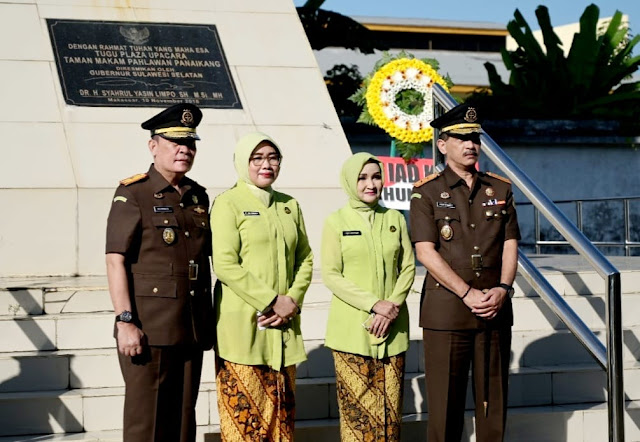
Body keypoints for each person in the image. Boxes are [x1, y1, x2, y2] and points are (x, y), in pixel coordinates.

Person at [409, 103, 520, 442]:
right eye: (461, 138)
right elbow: (425, 251)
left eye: (475, 138)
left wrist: (503, 288)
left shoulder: (499, 189)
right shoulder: (426, 191)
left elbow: (511, 244)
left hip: (494, 307)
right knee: (445, 406)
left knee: (493, 404)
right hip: (448, 310)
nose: (470, 145)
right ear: (442, 144)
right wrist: (467, 293)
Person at [105, 103, 214, 442]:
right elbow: (115, 259)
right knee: (146, 423)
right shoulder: (133, 192)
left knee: (183, 422)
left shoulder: (197, 195)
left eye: (191, 143)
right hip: (149, 328)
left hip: (191, 326)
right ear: (154, 146)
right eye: (175, 142)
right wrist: (125, 321)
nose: (185, 150)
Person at [210, 132, 313, 441]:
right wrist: (271, 301)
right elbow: (226, 264)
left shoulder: (288, 205)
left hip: (284, 327)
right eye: (257, 158)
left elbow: (305, 258)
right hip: (244, 326)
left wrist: (291, 301)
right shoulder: (228, 203)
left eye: (273, 157)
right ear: (243, 162)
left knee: (282, 423)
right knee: (246, 424)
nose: (266, 164)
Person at [322, 152, 416, 441]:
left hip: (393, 328)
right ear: (350, 181)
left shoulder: (395, 219)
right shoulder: (336, 222)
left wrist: (391, 306)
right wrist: (374, 305)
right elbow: (331, 274)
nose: (370, 184)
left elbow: (409, 266)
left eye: (376, 176)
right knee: (358, 416)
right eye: (362, 178)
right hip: (351, 331)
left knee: (390, 414)